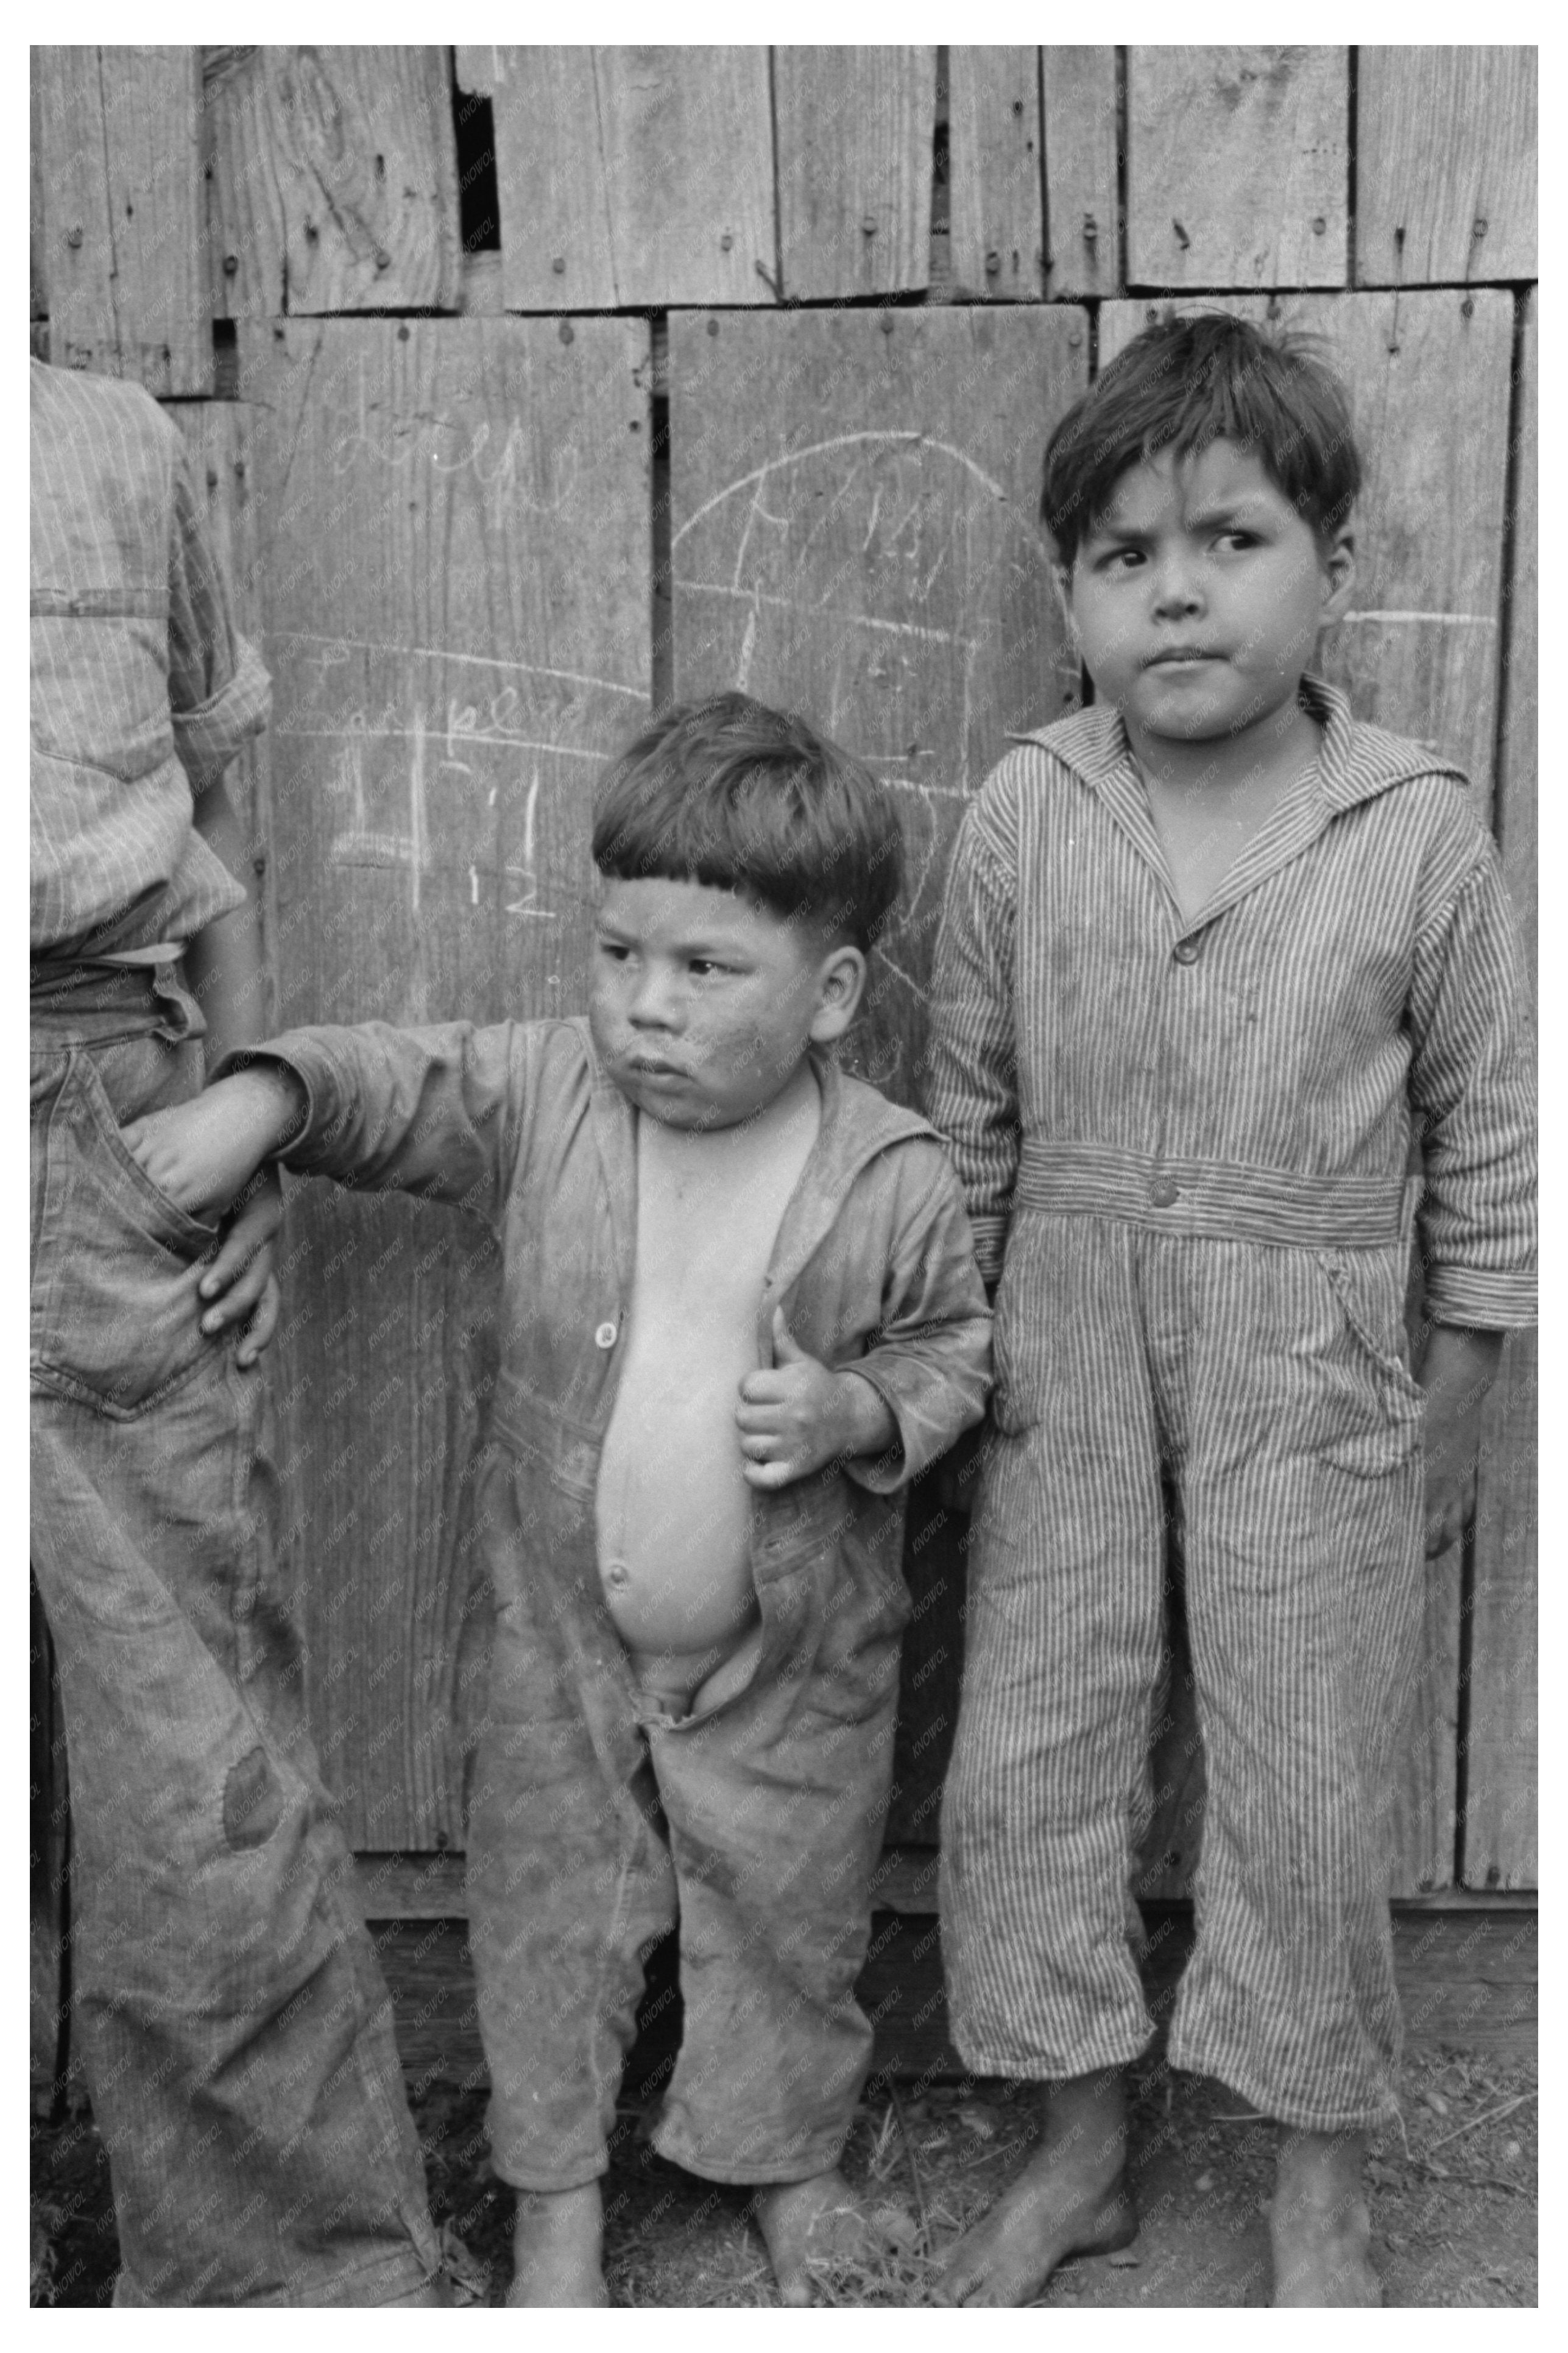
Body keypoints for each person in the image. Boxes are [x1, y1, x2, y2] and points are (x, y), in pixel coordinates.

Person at [122, 693, 994, 2307]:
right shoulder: (542, 1098)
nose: (645, 1008)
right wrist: (263, 1101)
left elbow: (957, 1356)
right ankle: (557, 2222)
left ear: (833, 993)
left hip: (795, 1664)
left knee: (791, 1924)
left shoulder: (895, 1175)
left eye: (704, 970)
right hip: (557, 1648)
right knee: (545, 1927)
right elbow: (389, 1082)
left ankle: (783, 2167)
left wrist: (856, 1407)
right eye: (618, 957)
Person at [920, 313, 1536, 2308]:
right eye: (1122, 557)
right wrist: (951, 1362)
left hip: (1316, 1364)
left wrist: (1458, 1394)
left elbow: (1498, 1145)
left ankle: (1317, 2185)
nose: (1176, 589)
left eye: (1231, 537)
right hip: (1064, 1345)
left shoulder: (1418, 829)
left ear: (1334, 564)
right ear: (1069, 597)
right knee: (1038, 1746)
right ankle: (1082, 2145)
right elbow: (967, 1119)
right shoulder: (1028, 808)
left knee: (1299, 1772)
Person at [29, 357, 447, 2305]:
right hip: (99, 1109)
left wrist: (248, 1131)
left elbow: (208, 804)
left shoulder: (107, 439)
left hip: (95, 1109)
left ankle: (287, 2291)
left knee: (184, 1748)